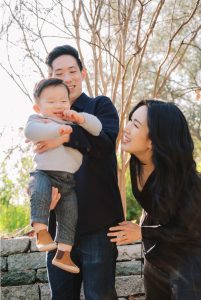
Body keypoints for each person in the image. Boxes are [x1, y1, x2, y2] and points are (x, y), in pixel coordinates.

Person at [33, 45, 124, 299]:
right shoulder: (43, 120)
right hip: (59, 229)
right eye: (59, 72)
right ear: (51, 78)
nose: (67, 77)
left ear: (83, 73)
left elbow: (105, 145)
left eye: (72, 70)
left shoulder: (100, 106)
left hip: (98, 228)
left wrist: (64, 137)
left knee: (100, 295)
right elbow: (40, 165)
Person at [108, 99, 201, 299]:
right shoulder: (137, 164)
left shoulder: (187, 184)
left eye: (136, 125)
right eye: (130, 120)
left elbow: (192, 232)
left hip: (191, 265)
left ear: (154, 140)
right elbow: (154, 208)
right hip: (158, 258)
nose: (126, 128)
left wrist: (142, 232)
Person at [25, 78, 102, 274]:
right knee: (41, 194)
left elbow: (97, 128)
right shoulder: (39, 120)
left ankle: (63, 254)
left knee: (70, 217)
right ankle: (41, 232)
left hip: (68, 182)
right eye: (51, 102)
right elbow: (31, 131)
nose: (58, 105)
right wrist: (56, 131)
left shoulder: (73, 121)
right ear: (38, 106)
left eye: (63, 100)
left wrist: (80, 118)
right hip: (43, 174)